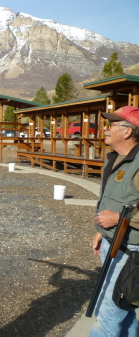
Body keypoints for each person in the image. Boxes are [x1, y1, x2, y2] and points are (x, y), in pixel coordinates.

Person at [90, 106, 139, 337]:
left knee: (107, 313)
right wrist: (101, 230)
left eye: (111, 125)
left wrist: (119, 219)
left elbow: (120, 212)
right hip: (112, 242)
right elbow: (112, 199)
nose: (105, 129)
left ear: (128, 132)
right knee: (123, 310)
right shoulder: (113, 158)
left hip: (130, 249)